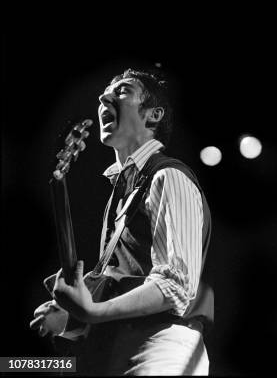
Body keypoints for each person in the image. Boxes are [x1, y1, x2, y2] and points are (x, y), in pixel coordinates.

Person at [29, 69, 214, 375]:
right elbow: (127, 283)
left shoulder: (169, 176)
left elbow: (176, 284)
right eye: (104, 92)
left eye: (123, 91)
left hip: (160, 346)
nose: (103, 98)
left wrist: (92, 310)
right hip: (117, 349)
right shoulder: (124, 192)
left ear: (153, 114)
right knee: (16, 368)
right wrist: (75, 317)